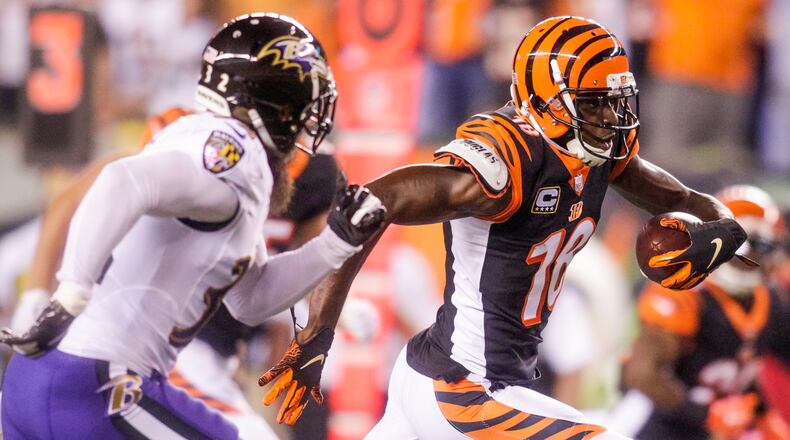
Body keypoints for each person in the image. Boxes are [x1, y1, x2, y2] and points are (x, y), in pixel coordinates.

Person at [259, 16, 749, 439]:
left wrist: (724, 227)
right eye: (594, 102)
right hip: (465, 390)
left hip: (447, 373)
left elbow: (683, 198)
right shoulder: (506, 164)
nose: (610, 118)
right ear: (547, 102)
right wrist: (316, 336)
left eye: (617, 102)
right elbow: (371, 205)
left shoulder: (597, 152)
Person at [0, 13, 386, 439]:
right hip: (96, 381)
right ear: (271, 101)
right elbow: (121, 181)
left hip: (45, 379)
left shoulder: (203, 138)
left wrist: (333, 244)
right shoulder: (237, 157)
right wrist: (71, 292)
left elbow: (251, 298)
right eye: (300, 106)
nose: (306, 122)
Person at [624, 185, 790, 440]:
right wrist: (704, 414)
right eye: (744, 244)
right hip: (656, 422)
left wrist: (763, 414)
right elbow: (642, 375)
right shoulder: (685, 291)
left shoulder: (769, 299)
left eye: (763, 246)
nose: (753, 256)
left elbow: (748, 367)